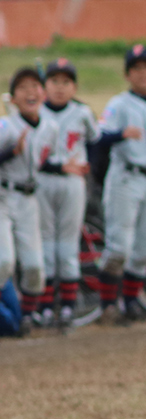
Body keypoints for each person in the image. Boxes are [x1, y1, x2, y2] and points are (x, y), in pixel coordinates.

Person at [96, 45, 146, 326]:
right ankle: (108, 305)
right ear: (127, 74)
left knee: (145, 249)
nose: (143, 73)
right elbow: (98, 137)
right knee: (119, 248)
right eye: (136, 68)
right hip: (125, 178)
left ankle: (131, 304)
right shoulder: (119, 104)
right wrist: (120, 134)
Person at [36, 59, 96, 333]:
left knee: (68, 244)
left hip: (73, 182)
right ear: (44, 86)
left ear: (74, 87)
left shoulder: (82, 112)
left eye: (66, 82)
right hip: (43, 181)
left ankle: (69, 304)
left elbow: (96, 141)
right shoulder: (36, 112)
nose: (60, 88)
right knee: (46, 242)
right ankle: (46, 305)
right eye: (54, 82)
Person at [0, 67, 56, 334]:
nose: (30, 92)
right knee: (4, 261)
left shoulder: (50, 127)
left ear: (43, 93)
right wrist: (11, 153)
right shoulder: (6, 126)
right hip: (3, 196)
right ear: (12, 98)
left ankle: (28, 317)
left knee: (34, 266)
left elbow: (44, 161)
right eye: (22, 87)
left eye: (35, 86)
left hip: (29, 198)